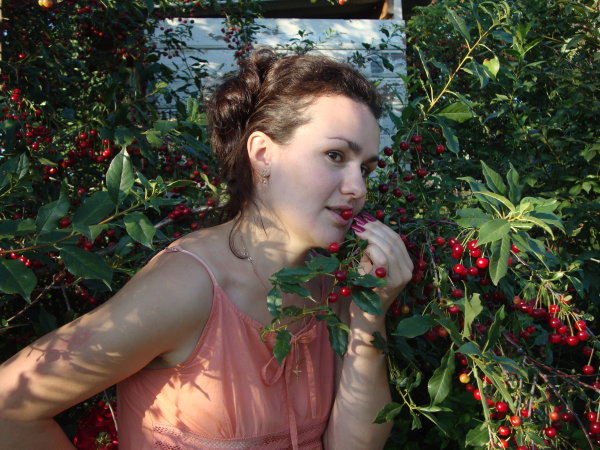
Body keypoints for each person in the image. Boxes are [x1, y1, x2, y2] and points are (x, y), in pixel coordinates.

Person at [0, 49, 413, 449]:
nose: (357, 188)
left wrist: (369, 314)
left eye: (366, 169)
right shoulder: (186, 287)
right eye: (335, 155)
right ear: (263, 154)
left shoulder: (327, 283)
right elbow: (8, 407)